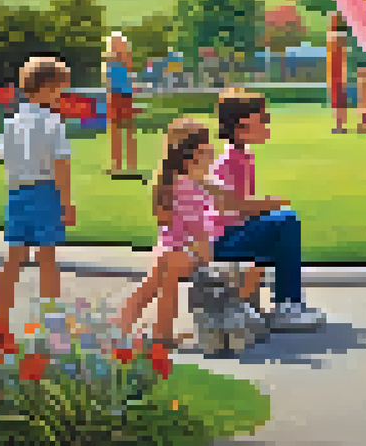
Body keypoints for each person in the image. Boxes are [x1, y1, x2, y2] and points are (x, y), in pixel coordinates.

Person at [206, 90, 326, 331]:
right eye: (262, 119)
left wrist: (264, 208)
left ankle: (290, 303)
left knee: (282, 224)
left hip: (231, 234)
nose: (267, 122)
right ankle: (286, 305)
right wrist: (266, 205)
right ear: (241, 128)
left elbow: (240, 206)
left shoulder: (241, 158)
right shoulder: (227, 162)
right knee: (286, 221)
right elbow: (225, 205)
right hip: (220, 241)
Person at [115, 118, 228, 347]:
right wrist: (206, 261)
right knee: (165, 285)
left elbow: (167, 220)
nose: (211, 152)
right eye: (206, 148)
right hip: (184, 251)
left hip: (167, 248)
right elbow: (198, 230)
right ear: (192, 155)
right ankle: (160, 333)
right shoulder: (190, 185)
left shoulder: (170, 180)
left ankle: (123, 328)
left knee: (153, 287)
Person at [0, 57, 75, 325]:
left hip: (16, 194)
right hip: (46, 194)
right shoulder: (54, 123)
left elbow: (0, 154)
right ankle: (50, 322)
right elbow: (61, 166)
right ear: (47, 89)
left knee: (14, 256)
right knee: (47, 257)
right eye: (61, 90)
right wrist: (67, 204)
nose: (62, 96)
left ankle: (1, 319)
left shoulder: (10, 123)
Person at [104, 32, 139, 176]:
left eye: (117, 42)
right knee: (114, 133)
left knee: (129, 132)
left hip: (125, 95)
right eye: (113, 42)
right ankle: (116, 165)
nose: (115, 45)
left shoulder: (126, 58)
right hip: (112, 96)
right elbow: (107, 80)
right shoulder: (108, 60)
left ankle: (131, 165)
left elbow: (128, 74)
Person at [326, 13, 349, 134]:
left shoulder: (335, 39)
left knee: (337, 101)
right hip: (338, 75)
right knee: (339, 100)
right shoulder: (340, 39)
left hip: (336, 76)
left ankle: (339, 125)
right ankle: (340, 124)